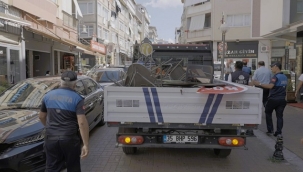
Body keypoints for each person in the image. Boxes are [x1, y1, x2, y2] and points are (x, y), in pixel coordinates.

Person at [39, 71, 89, 172]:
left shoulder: (48, 96)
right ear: (75, 84)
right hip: (69, 139)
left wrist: (48, 127)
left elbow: (41, 116)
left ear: (60, 82)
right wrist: (86, 144)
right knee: (73, 167)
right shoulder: (77, 98)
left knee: (52, 168)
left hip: (51, 138)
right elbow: (82, 122)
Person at [252, 62, 287, 137]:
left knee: (268, 112)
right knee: (280, 116)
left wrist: (260, 84)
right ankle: (279, 132)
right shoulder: (284, 76)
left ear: (276, 67)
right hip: (282, 99)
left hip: (273, 99)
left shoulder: (275, 77)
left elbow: (270, 86)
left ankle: (270, 130)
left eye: (272, 67)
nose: (271, 68)